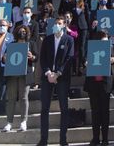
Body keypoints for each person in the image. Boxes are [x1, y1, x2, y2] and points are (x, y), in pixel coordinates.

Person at [38, 16, 74, 146]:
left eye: (59, 23)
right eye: (55, 23)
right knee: (44, 109)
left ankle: (63, 140)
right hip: (47, 77)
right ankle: (43, 140)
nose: (57, 25)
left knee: (64, 108)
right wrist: (48, 72)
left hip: (62, 78)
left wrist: (58, 73)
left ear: (64, 25)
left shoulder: (69, 40)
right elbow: (42, 58)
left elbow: (69, 58)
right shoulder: (47, 40)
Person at [84, 31, 114, 146]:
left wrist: (112, 59)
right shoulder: (91, 48)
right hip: (93, 84)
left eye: (106, 41)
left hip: (105, 84)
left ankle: (105, 138)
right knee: (95, 112)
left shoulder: (109, 48)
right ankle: (95, 138)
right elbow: (85, 59)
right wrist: (86, 62)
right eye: (103, 40)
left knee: (105, 112)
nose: (105, 43)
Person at [4, 24, 35, 132]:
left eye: (24, 31)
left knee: (24, 97)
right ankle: (9, 123)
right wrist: (4, 58)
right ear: (16, 33)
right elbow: (4, 58)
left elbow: (36, 57)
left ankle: (23, 122)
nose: (22, 33)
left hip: (25, 74)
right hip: (12, 73)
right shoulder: (11, 45)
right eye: (20, 31)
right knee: (11, 98)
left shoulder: (31, 44)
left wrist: (32, 56)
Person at [74, 0, 90, 76]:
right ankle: (76, 68)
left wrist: (89, 29)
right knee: (76, 47)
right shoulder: (73, 5)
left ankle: (82, 63)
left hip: (83, 27)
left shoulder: (85, 5)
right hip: (75, 28)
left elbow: (88, 17)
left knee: (82, 46)